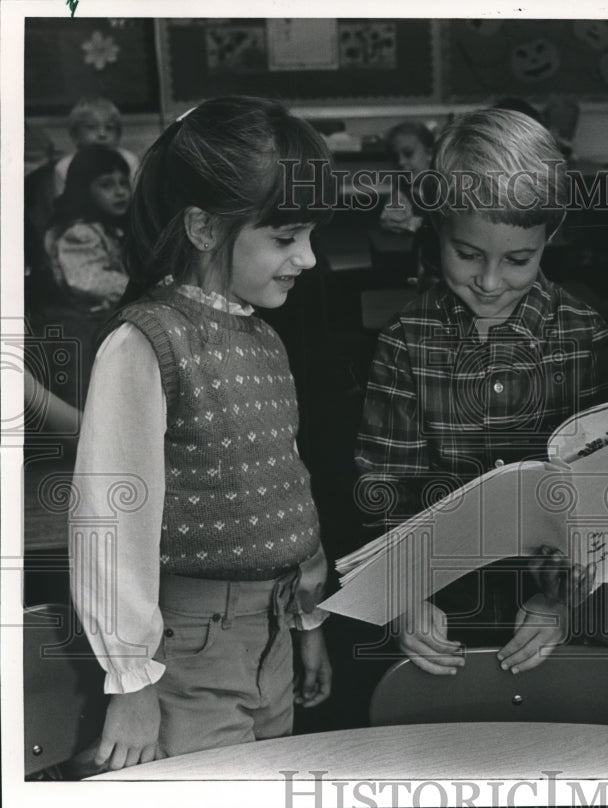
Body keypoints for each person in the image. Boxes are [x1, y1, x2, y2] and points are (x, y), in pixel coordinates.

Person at [70, 96, 335, 770]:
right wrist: (130, 680)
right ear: (203, 227)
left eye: (309, 235)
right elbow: (112, 518)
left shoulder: (264, 336)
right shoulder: (145, 341)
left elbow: (286, 488)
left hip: (271, 633)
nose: (307, 257)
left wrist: (306, 620)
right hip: (186, 647)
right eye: (284, 237)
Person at [355, 108, 608, 676]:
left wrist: (562, 602)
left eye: (518, 260)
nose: (490, 281)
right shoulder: (405, 342)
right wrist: (403, 595)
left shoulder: (587, 336)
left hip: (557, 613)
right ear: (436, 230)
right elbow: (385, 489)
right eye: (468, 254)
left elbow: (600, 504)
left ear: (551, 235)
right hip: (441, 610)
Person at [45, 144, 131, 311]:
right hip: (88, 318)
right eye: (106, 185)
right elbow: (90, 280)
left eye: (124, 183)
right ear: (83, 190)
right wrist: (142, 287)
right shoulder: (79, 234)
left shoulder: (114, 226)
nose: (120, 192)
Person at [53, 97, 141, 197]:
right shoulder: (64, 167)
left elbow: (137, 199)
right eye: (91, 127)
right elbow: (63, 206)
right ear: (75, 135)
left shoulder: (129, 160)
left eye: (109, 128)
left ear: (118, 135)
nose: (102, 134)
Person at [379, 121, 434, 234]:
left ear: (430, 153)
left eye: (408, 154)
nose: (401, 162)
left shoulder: (449, 185)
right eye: (395, 157)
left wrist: (416, 223)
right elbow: (392, 216)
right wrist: (393, 219)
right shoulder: (405, 186)